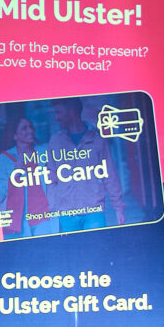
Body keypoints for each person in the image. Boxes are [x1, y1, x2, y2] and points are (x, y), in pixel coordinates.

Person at [47, 97, 126, 230]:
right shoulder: (55, 142)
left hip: (94, 211)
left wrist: (118, 208)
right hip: (66, 214)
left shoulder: (97, 139)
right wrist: (54, 210)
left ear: (71, 112)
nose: (56, 118)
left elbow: (110, 175)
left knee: (96, 248)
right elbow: (51, 180)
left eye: (59, 112)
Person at [0, 116, 56, 237]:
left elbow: (53, 181)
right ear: (15, 135)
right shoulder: (5, 158)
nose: (30, 131)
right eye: (24, 128)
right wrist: (15, 175)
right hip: (21, 220)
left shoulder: (43, 153)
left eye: (31, 127)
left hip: (44, 216)